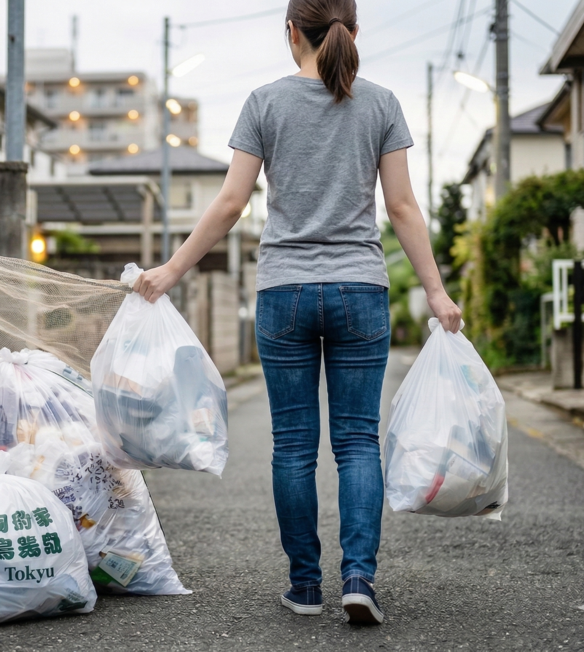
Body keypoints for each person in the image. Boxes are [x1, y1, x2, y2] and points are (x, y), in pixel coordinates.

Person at [131, 0, 462, 626]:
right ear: (353, 32)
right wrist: (437, 292)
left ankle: (306, 586)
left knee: (292, 445)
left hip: (284, 291)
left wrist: (170, 272)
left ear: (291, 33)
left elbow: (231, 203)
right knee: (358, 442)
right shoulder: (382, 103)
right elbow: (402, 207)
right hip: (360, 289)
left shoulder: (264, 103)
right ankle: (358, 579)